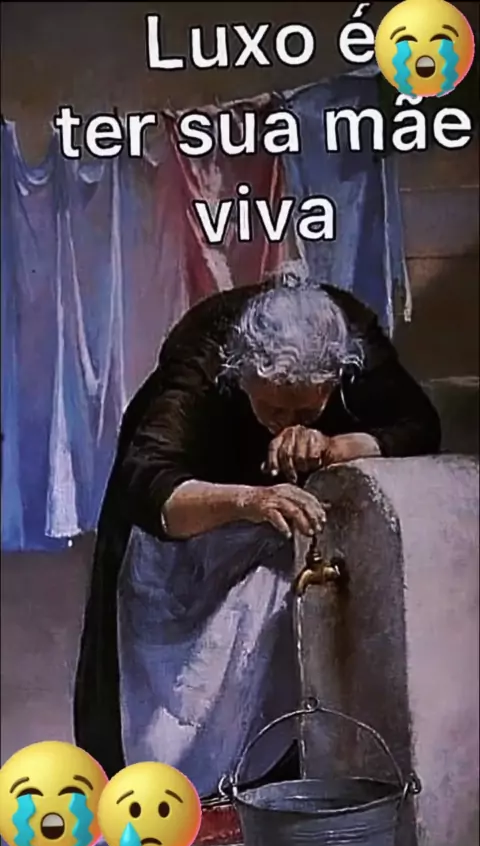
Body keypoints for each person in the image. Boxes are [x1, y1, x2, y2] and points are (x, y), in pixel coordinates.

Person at [73, 274, 441, 794]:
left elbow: (418, 425)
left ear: (334, 380)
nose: (284, 424)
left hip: (275, 551)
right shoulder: (202, 363)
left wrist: (337, 445)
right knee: (174, 709)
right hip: (186, 541)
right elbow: (149, 484)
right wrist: (251, 501)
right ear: (240, 376)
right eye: (271, 409)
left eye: (305, 409)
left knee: (280, 674)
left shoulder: (353, 342)